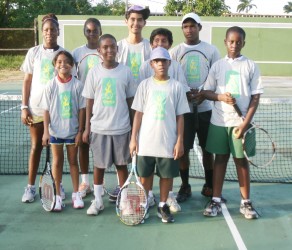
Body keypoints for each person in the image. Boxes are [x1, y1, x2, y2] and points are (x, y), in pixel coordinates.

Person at [202, 26, 263, 219]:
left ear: (243, 43)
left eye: (238, 41)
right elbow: (206, 92)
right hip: (219, 122)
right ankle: (216, 200)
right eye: (231, 41)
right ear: (225, 42)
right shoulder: (218, 66)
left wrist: (245, 125)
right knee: (220, 160)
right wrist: (220, 97)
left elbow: (255, 97)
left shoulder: (250, 66)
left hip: (240, 124)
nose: (234, 45)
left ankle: (246, 202)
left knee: (241, 161)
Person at [130, 47, 190, 223]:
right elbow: (138, 114)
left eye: (164, 61)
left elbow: (180, 117)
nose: (161, 64)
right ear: (151, 64)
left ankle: (162, 205)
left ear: (169, 63)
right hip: (146, 141)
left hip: (168, 142)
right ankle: (144, 204)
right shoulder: (144, 85)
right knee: (145, 176)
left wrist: (179, 140)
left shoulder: (177, 87)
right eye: (157, 61)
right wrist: (133, 138)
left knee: (166, 176)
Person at [169, 13, 221, 202]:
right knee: (183, 149)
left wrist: (203, 93)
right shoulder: (175, 52)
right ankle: (185, 186)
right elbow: (172, 78)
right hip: (184, 111)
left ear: (199, 27)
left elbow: (216, 75)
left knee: (208, 150)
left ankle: (209, 185)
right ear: (182, 29)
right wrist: (186, 93)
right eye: (185, 26)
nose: (189, 30)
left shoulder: (211, 50)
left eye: (192, 26)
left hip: (206, 109)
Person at [82, 34, 136, 216]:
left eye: (112, 47)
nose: (109, 50)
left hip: (122, 128)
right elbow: (89, 101)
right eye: (105, 47)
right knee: (99, 166)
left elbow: (131, 102)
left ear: (117, 49)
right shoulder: (93, 73)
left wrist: (134, 130)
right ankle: (97, 201)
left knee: (122, 166)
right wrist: (87, 128)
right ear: (99, 51)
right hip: (99, 128)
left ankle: (125, 201)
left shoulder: (126, 72)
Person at [20, 13, 66, 203]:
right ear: (42, 32)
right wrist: (24, 107)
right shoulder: (34, 52)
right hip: (36, 110)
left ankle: (58, 185)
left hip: (57, 113)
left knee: (57, 152)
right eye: (46, 30)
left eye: (53, 30)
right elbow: (27, 80)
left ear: (58, 32)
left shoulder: (63, 53)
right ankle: (30, 188)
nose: (49, 33)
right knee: (35, 148)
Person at [42, 51, 86, 211]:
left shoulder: (78, 85)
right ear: (55, 64)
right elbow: (46, 110)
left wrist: (80, 131)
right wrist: (46, 132)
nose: (63, 64)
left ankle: (76, 194)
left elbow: (82, 110)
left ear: (72, 65)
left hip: (73, 132)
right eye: (59, 62)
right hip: (55, 132)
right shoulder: (50, 85)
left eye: (67, 62)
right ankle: (57, 195)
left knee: (74, 162)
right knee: (57, 162)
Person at [72, 18, 102, 198]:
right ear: (85, 32)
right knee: (83, 144)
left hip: (102, 107)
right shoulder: (77, 53)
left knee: (99, 146)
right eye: (88, 30)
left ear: (100, 31)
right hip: (82, 107)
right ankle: (85, 182)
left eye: (95, 30)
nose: (92, 33)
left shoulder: (105, 50)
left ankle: (101, 182)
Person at [117, 5, 152, 83]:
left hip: (145, 93)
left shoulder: (151, 47)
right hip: (124, 93)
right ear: (126, 21)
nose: (136, 23)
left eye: (139, 20)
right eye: (132, 19)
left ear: (144, 23)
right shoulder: (118, 47)